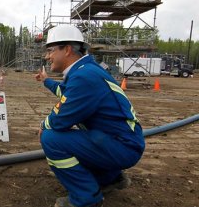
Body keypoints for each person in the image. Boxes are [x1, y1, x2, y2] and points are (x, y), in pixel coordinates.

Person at [35, 25, 145, 207]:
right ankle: (109, 178)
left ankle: (86, 199)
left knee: (51, 138)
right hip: (120, 141)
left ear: (68, 49)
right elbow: (67, 94)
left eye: (51, 50)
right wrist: (47, 81)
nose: (47, 56)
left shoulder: (84, 77)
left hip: (121, 146)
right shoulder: (85, 71)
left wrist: (44, 124)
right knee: (74, 136)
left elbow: (60, 118)